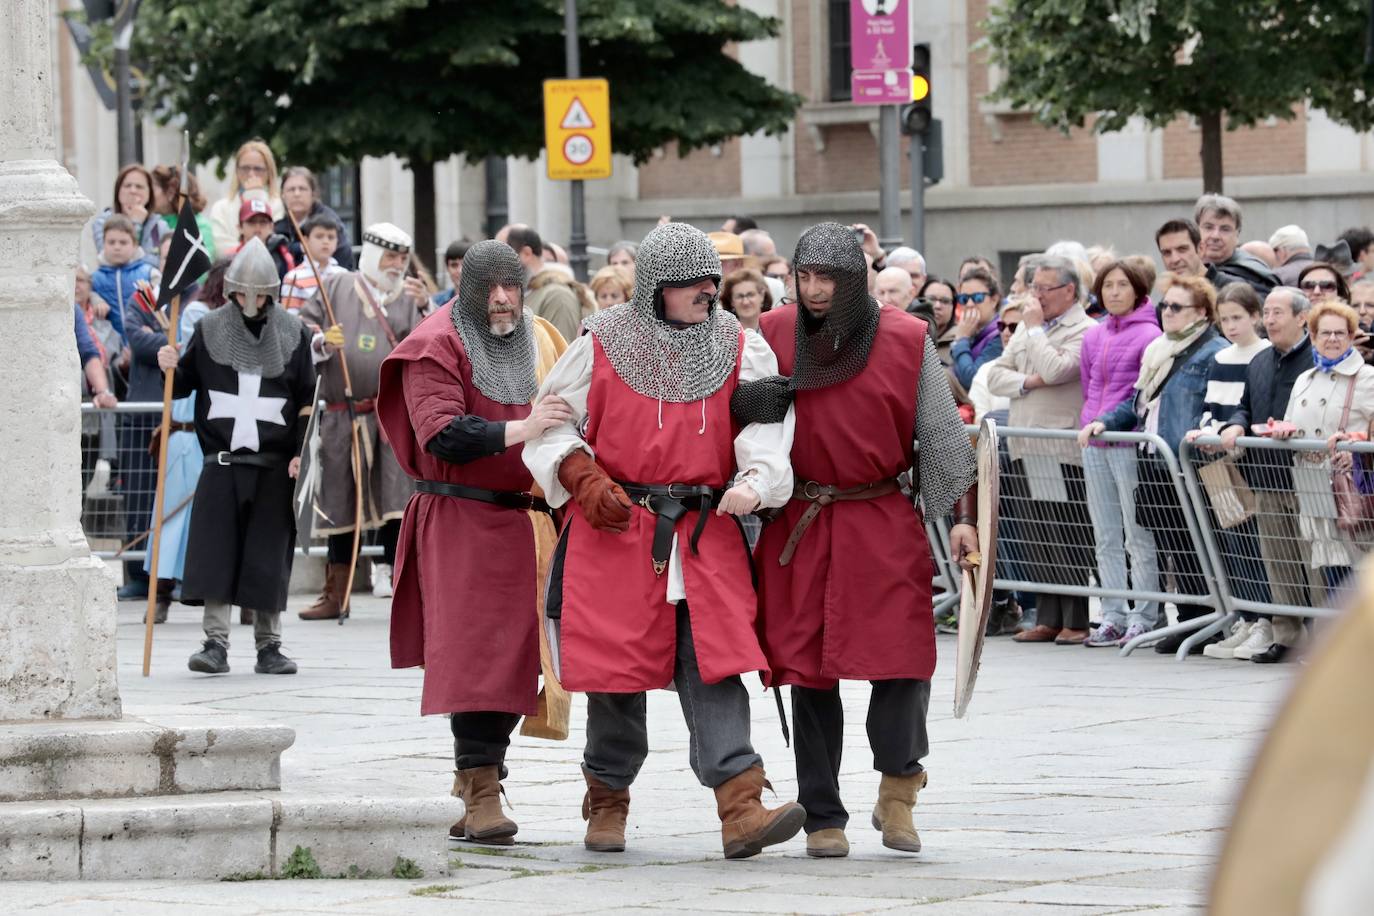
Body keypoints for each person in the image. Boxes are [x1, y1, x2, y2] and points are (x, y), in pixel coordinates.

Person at [523, 222, 804, 860]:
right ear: (656, 288)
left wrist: (755, 482)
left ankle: (742, 805)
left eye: (713, 281)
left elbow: (767, 433)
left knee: (717, 664)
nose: (708, 293)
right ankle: (607, 798)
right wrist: (581, 474)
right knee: (616, 672)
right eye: (692, 284)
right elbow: (550, 426)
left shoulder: (740, 347)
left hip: (707, 533)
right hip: (618, 526)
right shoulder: (602, 342)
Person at [740, 222, 978, 859]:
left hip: (879, 519)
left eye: (829, 279)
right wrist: (760, 401)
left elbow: (944, 435)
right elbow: (739, 422)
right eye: (806, 277)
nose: (815, 291)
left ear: (856, 280)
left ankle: (899, 785)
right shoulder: (772, 334)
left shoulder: (907, 337)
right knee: (807, 673)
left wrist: (959, 513)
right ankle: (823, 813)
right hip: (799, 522)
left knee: (901, 663)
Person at [377, 239, 569, 846]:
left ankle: (477, 782)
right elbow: (441, 434)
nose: (505, 299)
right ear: (469, 287)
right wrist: (524, 428)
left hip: (526, 521)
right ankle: (482, 786)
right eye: (492, 287)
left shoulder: (535, 340)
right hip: (462, 518)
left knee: (516, 659)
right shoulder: (436, 342)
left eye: (513, 285)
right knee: (476, 658)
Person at [154, 238, 314, 675]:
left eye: (261, 294)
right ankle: (215, 643)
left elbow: (305, 400)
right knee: (216, 552)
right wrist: (169, 362)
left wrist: (300, 453)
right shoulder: (210, 331)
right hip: (221, 463)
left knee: (267, 555)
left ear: (271, 292)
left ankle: (269, 645)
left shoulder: (294, 334)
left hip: (274, 466)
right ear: (231, 290)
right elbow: (185, 384)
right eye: (245, 292)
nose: (253, 301)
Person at [297, 224, 430, 618]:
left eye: (402, 258)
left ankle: (398, 585)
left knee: (394, 502)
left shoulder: (409, 296)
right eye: (390, 256)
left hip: (388, 415)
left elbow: (432, 341)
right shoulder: (336, 287)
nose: (397, 265)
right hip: (344, 414)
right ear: (373, 254)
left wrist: (426, 308)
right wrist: (322, 341)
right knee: (340, 501)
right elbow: (300, 330)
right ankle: (336, 594)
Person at [1098, 274, 1224, 654]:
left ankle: (1209, 621)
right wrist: (1105, 422)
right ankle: (1187, 620)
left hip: (1187, 464)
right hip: (1153, 462)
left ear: (1201, 312)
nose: (1167, 312)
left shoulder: (1211, 351)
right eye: (1164, 306)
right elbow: (1139, 401)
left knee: (1196, 545)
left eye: (1177, 307)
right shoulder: (1159, 350)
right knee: (1173, 545)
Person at [986, 256, 1097, 645]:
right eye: (1033, 288)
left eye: (1044, 289)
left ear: (1069, 290)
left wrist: (1033, 335)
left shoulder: (1083, 329)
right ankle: (1048, 617)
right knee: (1037, 532)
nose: (1036, 297)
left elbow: (1057, 370)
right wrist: (1029, 381)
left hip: (1059, 444)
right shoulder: (1031, 329)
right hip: (1025, 442)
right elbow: (996, 374)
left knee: (1066, 532)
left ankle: (1075, 619)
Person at [1219, 288, 1321, 660]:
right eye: (1267, 312)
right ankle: (1287, 637)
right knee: (1278, 561)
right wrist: (1235, 425)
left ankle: (1321, 637)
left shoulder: (1316, 359)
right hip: (1265, 475)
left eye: (1279, 312)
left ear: (1301, 318)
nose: (1271, 319)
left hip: (1308, 477)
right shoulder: (1260, 361)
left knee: (1314, 561)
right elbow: (1244, 407)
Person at [1076, 260, 1163, 648]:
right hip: (1093, 443)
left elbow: (1139, 394)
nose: (1113, 292)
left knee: (1137, 534)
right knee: (1106, 535)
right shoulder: (1094, 335)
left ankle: (1144, 613)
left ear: (1138, 290)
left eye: (1121, 285)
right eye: (1106, 285)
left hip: (1128, 443)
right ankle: (1111, 613)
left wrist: (1112, 422)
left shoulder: (1150, 334)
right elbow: (1088, 380)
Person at [1187, 283, 1276, 659]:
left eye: (1238, 317)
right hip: (1219, 460)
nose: (1231, 326)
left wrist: (1228, 435)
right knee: (1233, 542)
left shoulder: (1265, 355)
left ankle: (1266, 619)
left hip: (1248, 460)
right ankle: (1248, 614)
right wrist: (1206, 431)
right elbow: (1211, 404)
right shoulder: (1221, 358)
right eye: (1225, 319)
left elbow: (1251, 406)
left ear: (1256, 316)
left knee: (1259, 544)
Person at [1275, 301, 1374, 627]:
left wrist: (1360, 440)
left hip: (1350, 482)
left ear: (1351, 336)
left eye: (1340, 333)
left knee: (1354, 564)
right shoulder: (1305, 377)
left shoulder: (1367, 377)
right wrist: (1284, 430)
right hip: (1312, 481)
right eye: (1325, 333)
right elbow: (1292, 419)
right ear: (1313, 336)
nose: (1333, 339)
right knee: (1328, 562)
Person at [207, 140, 285, 255]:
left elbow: (271, 244)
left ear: (269, 172)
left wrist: (256, 195)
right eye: (245, 168)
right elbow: (221, 249)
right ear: (237, 171)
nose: (251, 174)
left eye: (258, 169)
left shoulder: (278, 205)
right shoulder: (220, 207)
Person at [508, 226, 581, 344]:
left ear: (526, 253)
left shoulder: (557, 295)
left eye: (506, 256)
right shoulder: (529, 292)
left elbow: (561, 352)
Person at [91, 214, 155, 346]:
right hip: (110, 347)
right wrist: (95, 299)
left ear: (135, 245)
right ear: (103, 244)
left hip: (145, 343)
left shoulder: (149, 273)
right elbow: (85, 295)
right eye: (111, 242)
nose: (117, 247)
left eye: (123, 242)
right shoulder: (95, 278)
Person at [1195, 194, 1278, 294]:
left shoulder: (1254, 274)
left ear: (1237, 235)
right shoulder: (1183, 267)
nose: (1215, 236)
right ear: (1196, 230)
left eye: (1225, 229)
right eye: (1208, 227)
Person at [275, 166, 355, 270]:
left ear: (312, 193)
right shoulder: (278, 227)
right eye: (291, 189)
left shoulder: (328, 221)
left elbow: (343, 256)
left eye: (302, 189)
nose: (297, 194)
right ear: (283, 195)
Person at [91, 163, 163, 265]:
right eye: (127, 185)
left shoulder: (158, 226)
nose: (133, 191)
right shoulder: (102, 222)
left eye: (139, 186)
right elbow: (110, 260)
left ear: (149, 193)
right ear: (118, 191)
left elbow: (155, 263)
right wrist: (135, 223)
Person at [278, 212, 346, 313]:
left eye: (331, 237)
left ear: (337, 242)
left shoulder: (344, 274)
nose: (326, 241)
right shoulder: (293, 277)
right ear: (305, 241)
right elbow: (290, 319)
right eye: (319, 236)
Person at [950, 267, 1005, 391]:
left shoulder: (1000, 334)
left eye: (977, 298)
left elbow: (973, 380)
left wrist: (962, 340)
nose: (969, 304)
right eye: (964, 299)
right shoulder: (971, 332)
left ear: (994, 300)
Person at [236, 197, 294, 278]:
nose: (258, 227)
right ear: (240, 227)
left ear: (271, 227)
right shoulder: (231, 258)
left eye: (263, 222)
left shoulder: (284, 258)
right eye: (252, 222)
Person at [432, 239, 471, 307]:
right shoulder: (436, 301)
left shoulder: (489, 300)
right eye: (454, 265)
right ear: (447, 268)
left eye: (465, 264)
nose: (460, 270)